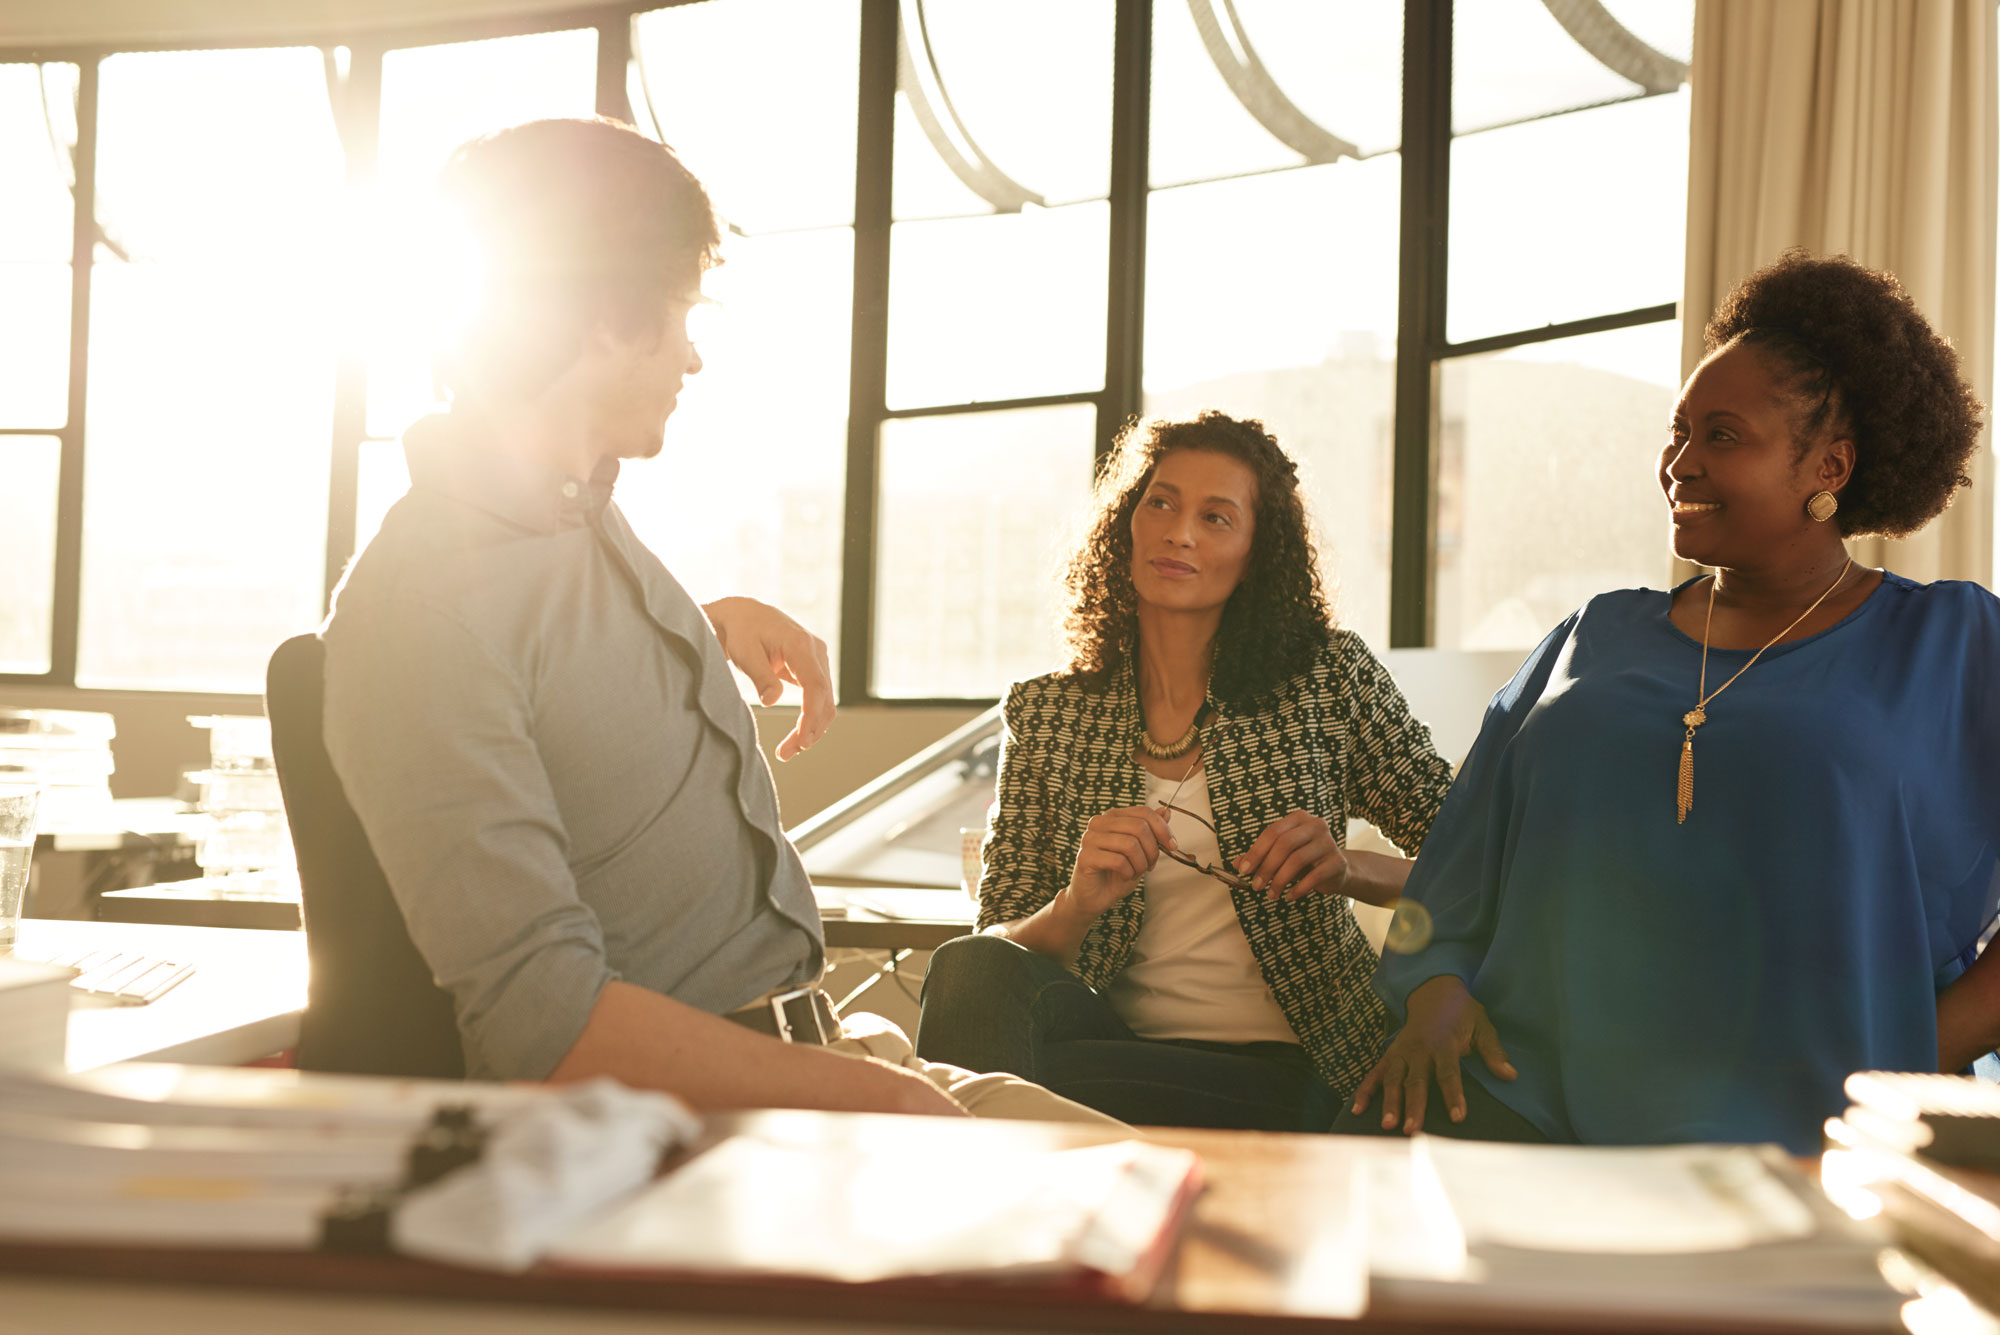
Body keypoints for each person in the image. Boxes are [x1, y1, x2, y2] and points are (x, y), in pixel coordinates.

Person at [320, 117, 1113, 1125]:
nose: (692, 357)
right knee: (1197, 1258)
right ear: (607, 314)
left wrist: (685, 631)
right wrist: (879, 1103)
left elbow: (544, 676)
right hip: (708, 1120)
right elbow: (544, 1030)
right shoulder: (422, 609)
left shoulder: (570, 518)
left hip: (821, 1053)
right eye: (682, 312)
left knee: (1211, 1206)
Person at [1343, 251, 2000, 1154]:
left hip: (1826, 1149)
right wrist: (1434, 994)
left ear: (1830, 464)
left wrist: (1907, 1060)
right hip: (1528, 1115)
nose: (1677, 462)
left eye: (1722, 436)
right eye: (1677, 429)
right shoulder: (1591, 635)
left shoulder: (1954, 646)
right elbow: (1454, 879)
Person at [914, 412, 1455, 1129]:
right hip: (1110, 1039)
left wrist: (1348, 868)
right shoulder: (1049, 712)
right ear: (1126, 522)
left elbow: (1474, 857)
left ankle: (975, 1194)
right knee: (966, 967)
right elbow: (998, 939)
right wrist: (1078, 902)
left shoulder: (1326, 678)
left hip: (1293, 1066)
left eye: (1216, 516)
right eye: (1161, 502)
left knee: (992, 1092)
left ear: (1257, 553)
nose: (1180, 533)